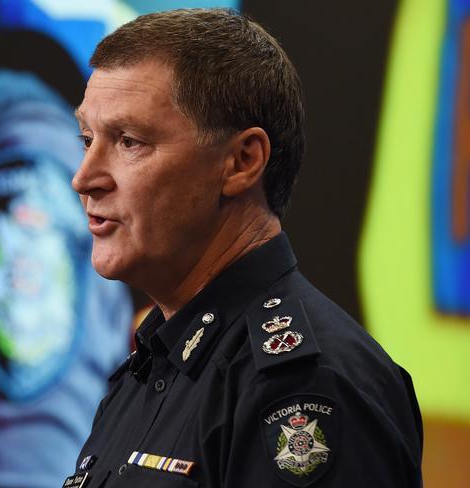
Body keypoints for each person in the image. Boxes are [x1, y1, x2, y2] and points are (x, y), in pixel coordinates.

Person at [66, 8, 423, 488]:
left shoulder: (305, 385)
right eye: (87, 139)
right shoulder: (152, 368)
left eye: (129, 141)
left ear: (241, 161)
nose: (84, 178)